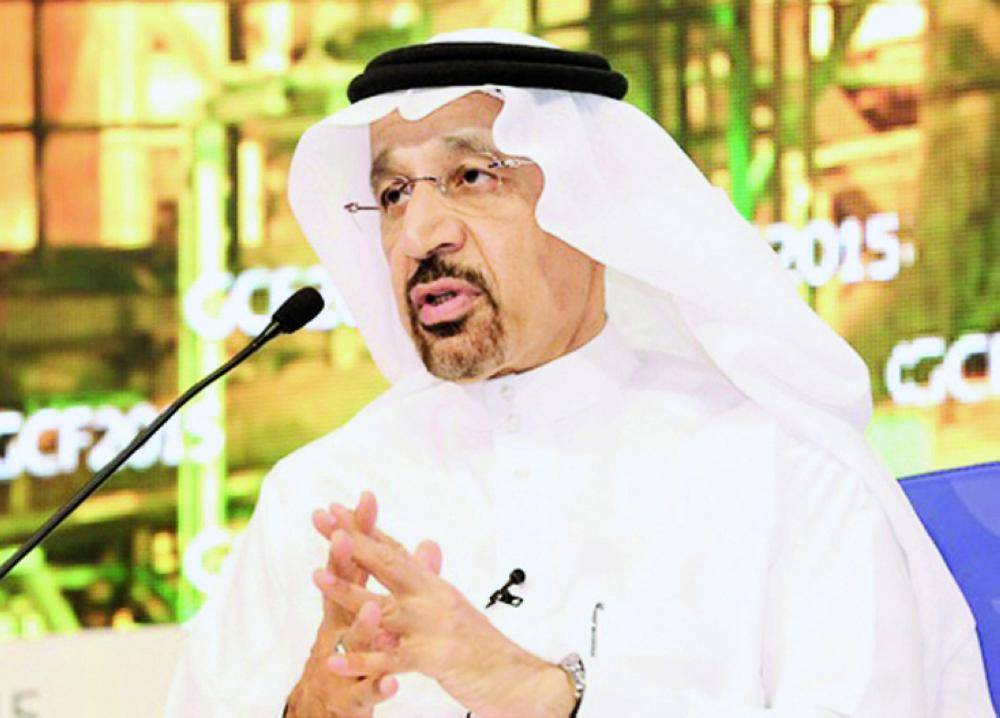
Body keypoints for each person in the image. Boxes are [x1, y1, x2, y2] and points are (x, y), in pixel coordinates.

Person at [165, 29, 993, 717]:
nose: (419, 234)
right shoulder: (319, 501)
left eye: (470, 177)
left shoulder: (782, 474)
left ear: (587, 204)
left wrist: (546, 698)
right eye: (391, 195)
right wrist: (310, 708)